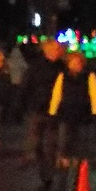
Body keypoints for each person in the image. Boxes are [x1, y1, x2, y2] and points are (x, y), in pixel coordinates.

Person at [48, 49, 96, 191]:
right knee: (64, 146)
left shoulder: (89, 76)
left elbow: (95, 94)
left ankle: (78, 180)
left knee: (80, 148)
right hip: (66, 115)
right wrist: (52, 112)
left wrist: (95, 112)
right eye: (73, 62)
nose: (75, 65)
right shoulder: (63, 76)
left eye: (78, 62)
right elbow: (57, 95)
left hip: (83, 117)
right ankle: (62, 178)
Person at [23, 40, 66, 175]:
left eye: (58, 50)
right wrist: (21, 104)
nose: (56, 52)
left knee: (50, 141)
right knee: (35, 139)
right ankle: (39, 159)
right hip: (37, 106)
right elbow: (26, 85)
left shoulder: (62, 67)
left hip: (54, 109)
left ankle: (47, 169)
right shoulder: (36, 66)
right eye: (54, 49)